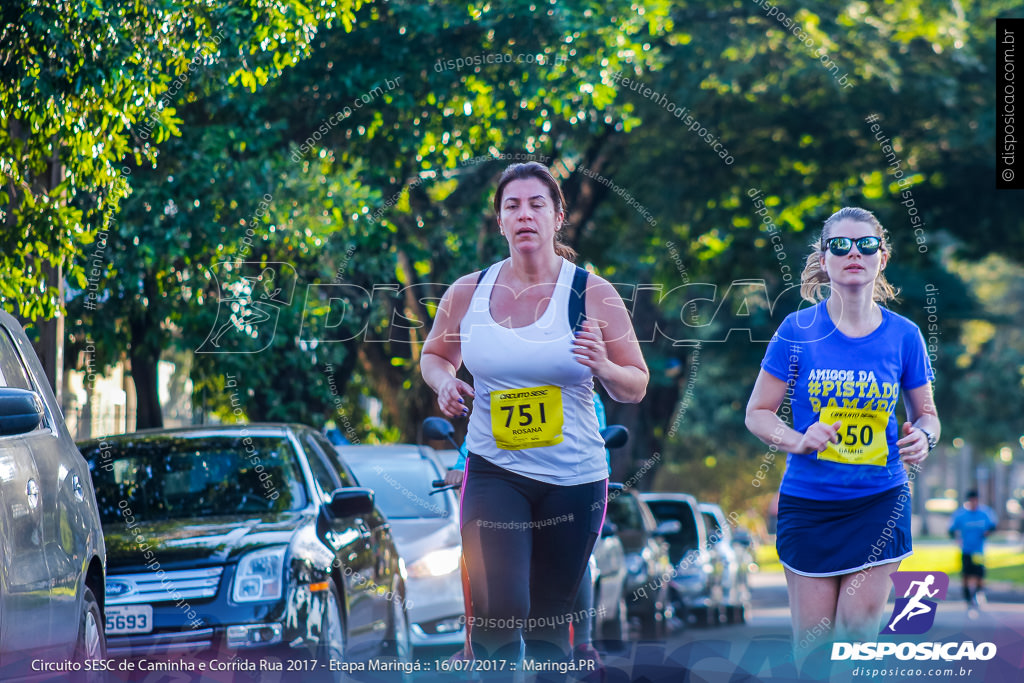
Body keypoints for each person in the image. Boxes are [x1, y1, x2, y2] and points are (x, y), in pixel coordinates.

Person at [421, 161, 648, 666]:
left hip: (575, 478)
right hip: (494, 470)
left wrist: (604, 365)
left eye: (536, 204)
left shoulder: (592, 292)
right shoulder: (468, 292)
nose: (524, 215)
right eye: (512, 206)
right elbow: (435, 355)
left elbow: (636, 384)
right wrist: (444, 382)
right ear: (499, 221)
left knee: (549, 617)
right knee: (502, 608)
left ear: (557, 216)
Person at [744, 207, 940, 667]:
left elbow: (927, 415)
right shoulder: (797, 331)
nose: (854, 252)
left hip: (880, 499)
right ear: (824, 258)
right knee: (813, 651)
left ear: (882, 258)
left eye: (866, 244)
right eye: (840, 245)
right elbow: (757, 413)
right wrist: (798, 439)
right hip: (810, 504)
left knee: (856, 637)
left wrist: (924, 439)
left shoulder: (904, 336)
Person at [948, 490, 998, 608]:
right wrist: (956, 538)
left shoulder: (985, 513)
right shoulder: (961, 514)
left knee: (979, 574)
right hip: (966, 550)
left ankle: (978, 593)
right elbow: (951, 529)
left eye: (976, 500)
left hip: (978, 551)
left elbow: (993, 526)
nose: (974, 503)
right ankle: (966, 596)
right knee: (966, 574)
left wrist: (988, 533)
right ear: (968, 501)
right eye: (972, 500)